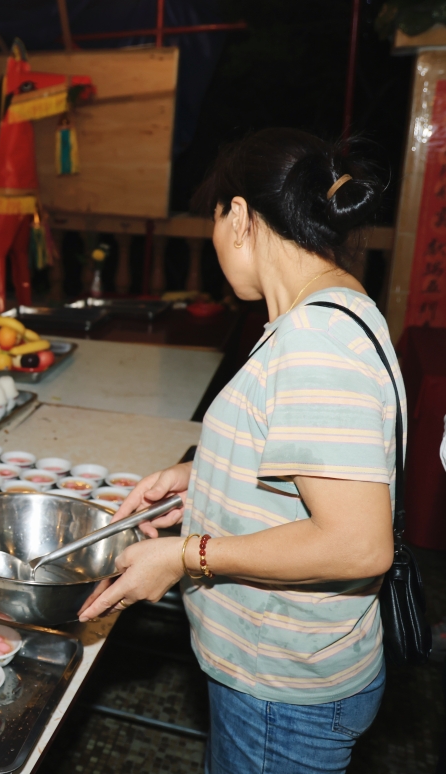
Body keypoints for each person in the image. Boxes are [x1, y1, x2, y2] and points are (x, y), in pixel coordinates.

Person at [78, 129, 399, 774]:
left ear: (240, 215)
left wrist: (185, 556)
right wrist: (202, 474)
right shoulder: (326, 311)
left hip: (281, 686)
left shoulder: (315, 339)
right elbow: (312, 457)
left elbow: (359, 545)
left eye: (214, 219)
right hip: (276, 670)